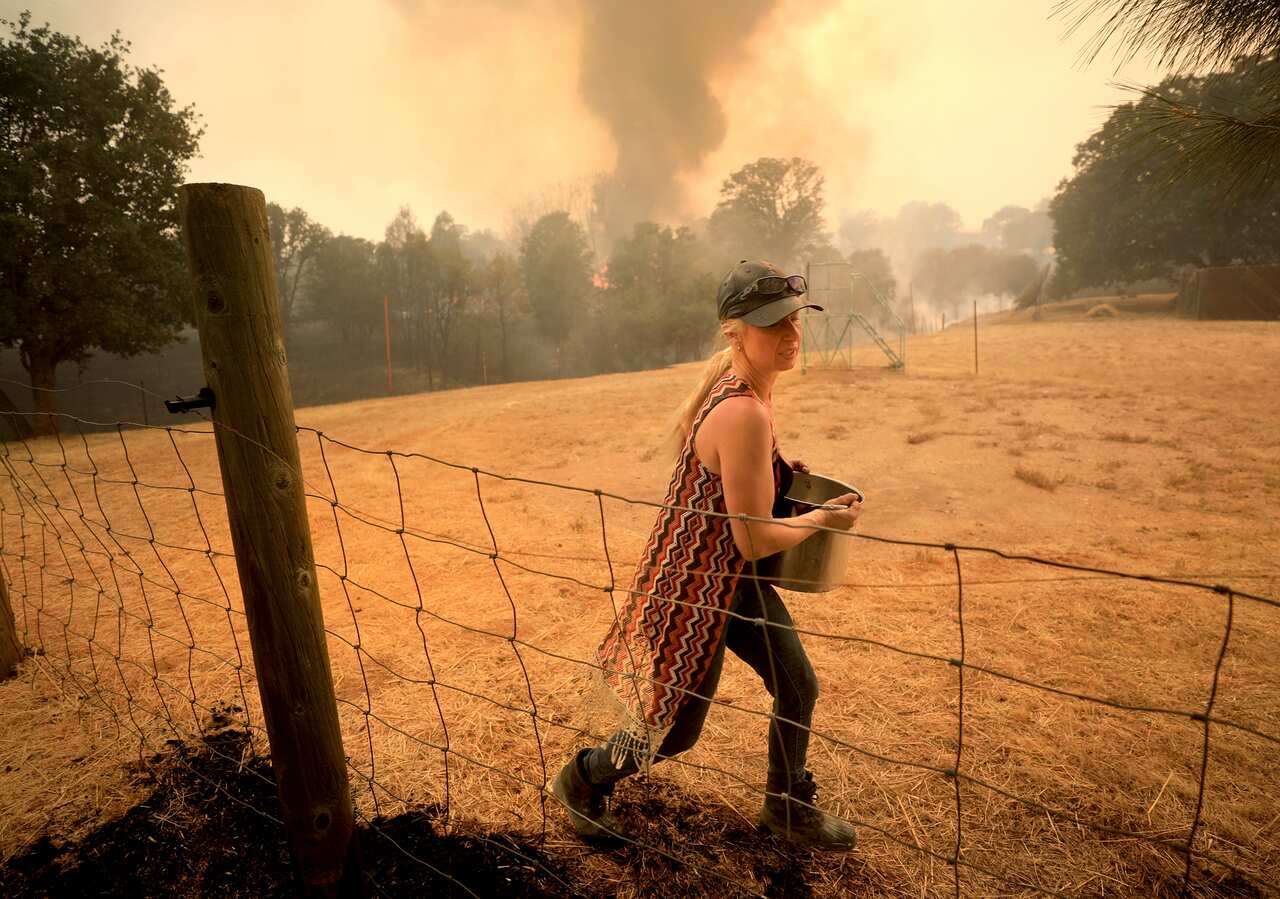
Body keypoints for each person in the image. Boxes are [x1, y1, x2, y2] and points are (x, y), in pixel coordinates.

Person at [553, 260, 863, 851]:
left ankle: (787, 807)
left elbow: (739, 501)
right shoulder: (742, 410)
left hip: (733, 584)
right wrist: (822, 518)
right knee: (672, 734)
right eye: (773, 325)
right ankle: (584, 777)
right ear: (734, 331)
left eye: (795, 319)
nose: (791, 335)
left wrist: (778, 471)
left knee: (798, 686)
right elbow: (753, 539)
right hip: (694, 588)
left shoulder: (751, 394)